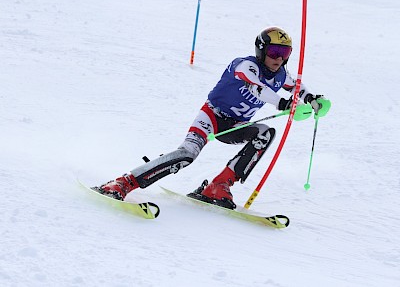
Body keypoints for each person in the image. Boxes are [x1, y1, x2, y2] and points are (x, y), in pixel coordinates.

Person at [92, 27, 330, 209]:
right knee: (186, 155)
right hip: (212, 117)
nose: (279, 58)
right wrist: (284, 104)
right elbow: (257, 88)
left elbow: (296, 86)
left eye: (285, 53)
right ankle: (124, 182)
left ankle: (219, 186)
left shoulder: (281, 74)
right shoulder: (245, 65)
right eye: (274, 52)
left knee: (266, 133)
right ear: (261, 51)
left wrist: (312, 100)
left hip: (236, 125)